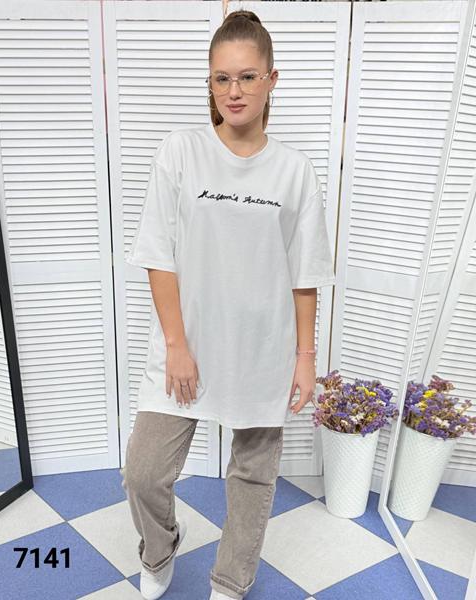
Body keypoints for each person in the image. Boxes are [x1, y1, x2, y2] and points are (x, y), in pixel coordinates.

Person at [121, 9, 336, 600]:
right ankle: (159, 547)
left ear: (272, 79)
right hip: (186, 345)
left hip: (264, 348)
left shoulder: (294, 170)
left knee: (252, 476)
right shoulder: (181, 151)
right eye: (221, 78)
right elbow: (158, 255)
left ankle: (231, 580)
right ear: (210, 83)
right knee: (143, 473)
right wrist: (177, 346)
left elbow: (305, 275)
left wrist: (304, 358)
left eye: (246, 76)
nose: (233, 91)